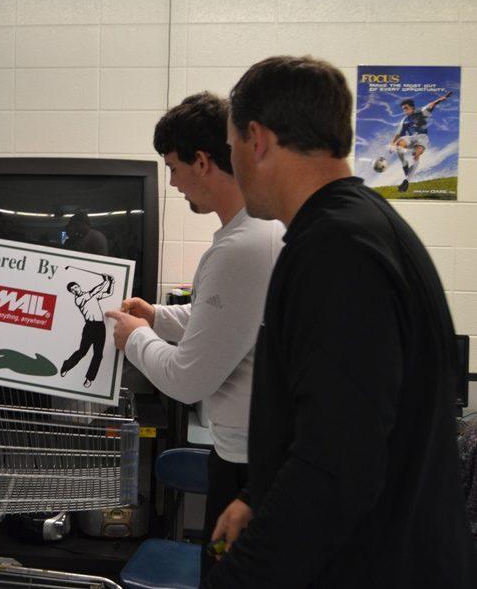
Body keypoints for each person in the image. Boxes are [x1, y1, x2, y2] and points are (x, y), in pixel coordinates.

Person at [204, 55, 476, 588]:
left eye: (230, 144)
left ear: (256, 139)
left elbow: (337, 466)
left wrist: (237, 579)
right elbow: (339, 409)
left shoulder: (336, 251)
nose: (232, 159)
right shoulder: (359, 225)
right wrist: (256, 496)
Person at [104, 92, 282, 577]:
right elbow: (223, 323)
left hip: (250, 466)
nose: (174, 183)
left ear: (202, 162)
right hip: (248, 455)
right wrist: (157, 316)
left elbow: (186, 380)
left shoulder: (244, 247)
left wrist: (135, 337)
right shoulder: (251, 236)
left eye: (174, 167)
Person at [390, 91, 452, 193]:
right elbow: (398, 134)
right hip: (411, 138)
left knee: (416, 155)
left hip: (422, 137)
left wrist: (442, 98)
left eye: (406, 108)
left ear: (412, 108)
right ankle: (404, 164)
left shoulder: (421, 112)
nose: (404, 111)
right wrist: (392, 144)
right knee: (399, 144)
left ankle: (406, 182)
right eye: (403, 109)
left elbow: (432, 104)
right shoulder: (404, 120)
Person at [60, 274, 113, 387]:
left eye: (75, 287)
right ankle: (66, 366)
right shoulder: (79, 300)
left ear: (79, 286)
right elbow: (93, 291)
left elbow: (109, 293)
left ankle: (89, 378)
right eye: (72, 289)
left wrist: (111, 283)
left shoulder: (91, 296)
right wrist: (105, 281)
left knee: (98, 355)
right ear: (72, 292)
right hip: (89, 327)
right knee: (82, 352)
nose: (75, 290)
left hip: (100, 327)